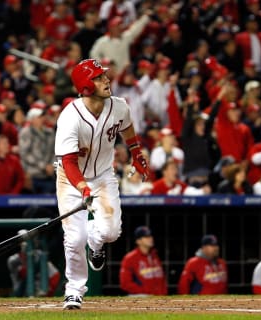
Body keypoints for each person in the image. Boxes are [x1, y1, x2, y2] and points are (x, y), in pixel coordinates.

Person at [54, 58, 149, 309]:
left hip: (104, 176)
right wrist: (83, 188)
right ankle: (74, 291)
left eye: (104, 76)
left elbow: (127, 128)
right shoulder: (69, 117)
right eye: (98, 77)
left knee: (109, 233)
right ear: (86, 84)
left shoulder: (119, 106)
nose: (106, 80)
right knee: (74, 239)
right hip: (71, 179)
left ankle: (95, 244)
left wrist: (136, 154)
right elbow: (69, 162)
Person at [119, 226, 167, 296]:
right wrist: (146, 291)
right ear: (138, 241)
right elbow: (125, 284)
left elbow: (162, 279)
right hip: (140, 296)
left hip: (157, 297)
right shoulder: (130, 258)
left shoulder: (155, 256)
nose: (150, 238)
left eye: (150, 236)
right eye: (146, 237)